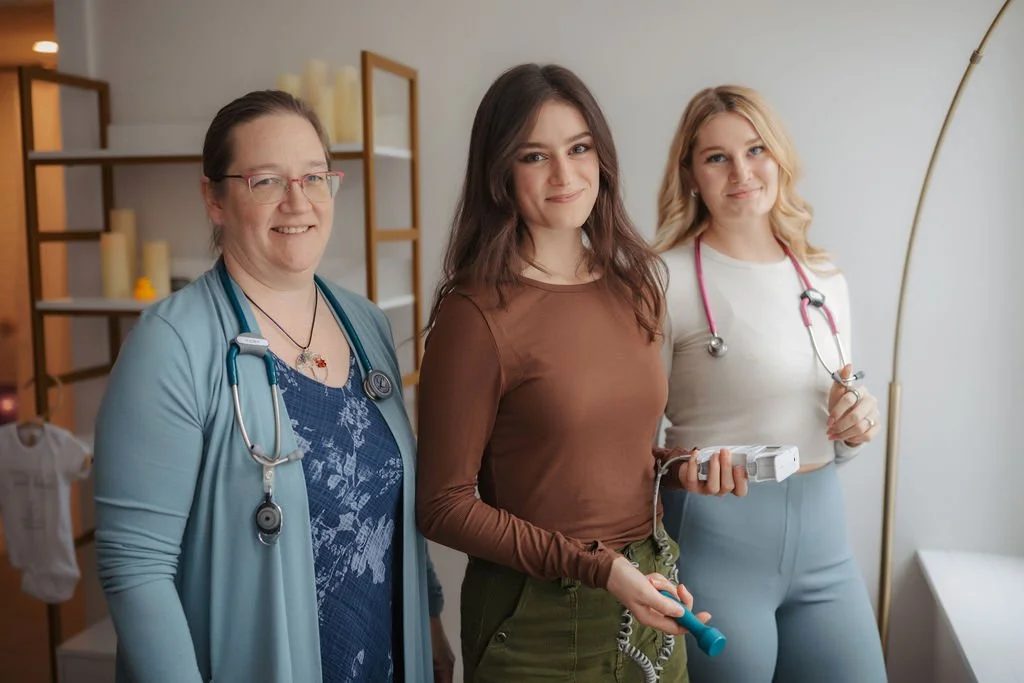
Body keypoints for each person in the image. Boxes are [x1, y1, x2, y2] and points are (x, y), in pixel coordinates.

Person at [92, 90, 453, 683]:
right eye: (265, 181)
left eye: (314, 177)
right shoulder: (172, 343)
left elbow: (387, 505)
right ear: (214, 197)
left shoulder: (366, 323)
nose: (298, 201)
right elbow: (135, 569)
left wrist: (431, 622)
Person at [415, 63, 710, 683]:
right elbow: (442, 505)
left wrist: (681, 469)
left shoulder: (636, 287)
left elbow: (592, 449)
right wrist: (598, 568)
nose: (565, 174)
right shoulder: (475, 314)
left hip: (652, 587)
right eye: (534, 156)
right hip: (536, 624)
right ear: (499, 173)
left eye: (579, 148)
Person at [653, 84, 887, 683]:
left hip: (825, 540)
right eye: (717, 157)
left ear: (779, 156)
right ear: (691, 174)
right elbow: (625, 436)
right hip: (716, 542)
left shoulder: (824, 277)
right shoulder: (663, 279)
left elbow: (833, 430)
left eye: (756, 149)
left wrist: (856, 425)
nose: (742, 172)